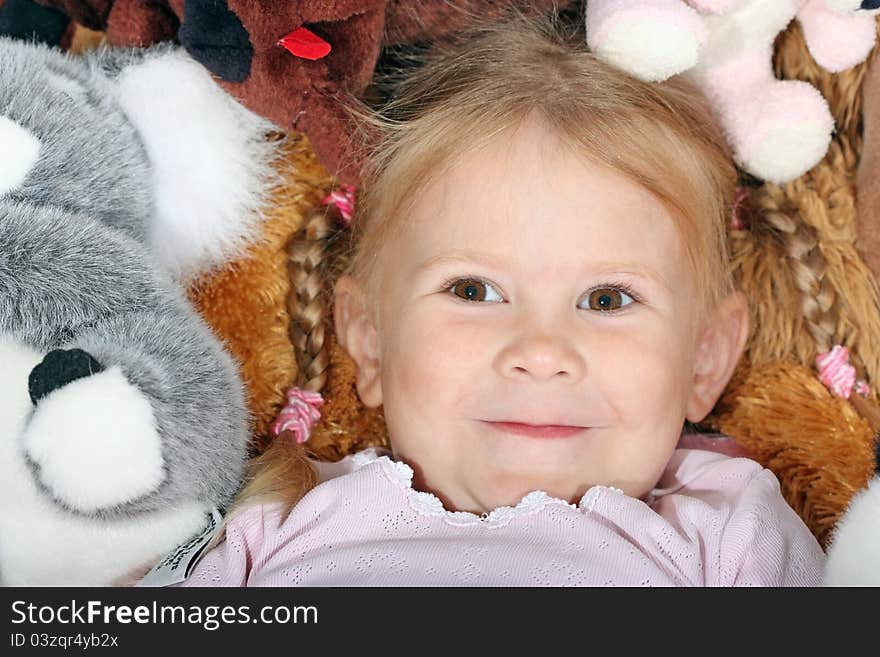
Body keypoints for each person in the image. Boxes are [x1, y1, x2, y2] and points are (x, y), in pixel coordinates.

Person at [179, 14, 825, 587]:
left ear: (705, 357)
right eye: (473, 290)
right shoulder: (273, 522)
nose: (541, 353)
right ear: (371, 338)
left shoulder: (729, 533)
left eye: (606, 298)